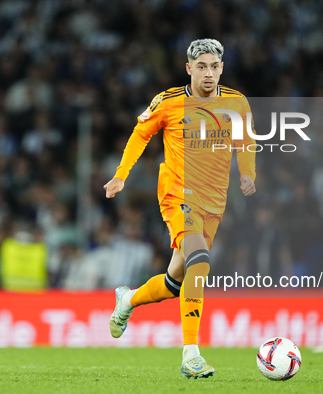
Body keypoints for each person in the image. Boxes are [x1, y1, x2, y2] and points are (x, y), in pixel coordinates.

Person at [104, 38, 256, 379]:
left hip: (214, 201)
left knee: (177, 280)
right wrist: (120, 176)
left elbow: (246, 141)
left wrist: (247, 174)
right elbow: (140, 135)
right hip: (178, 194)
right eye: (201, 66)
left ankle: (128, 301)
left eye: (214, 66)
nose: (208, 73)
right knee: (199, 260)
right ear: (188, 68)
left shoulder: (237, 103)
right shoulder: (169, 102)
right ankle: (191, 354)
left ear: (222, 68)